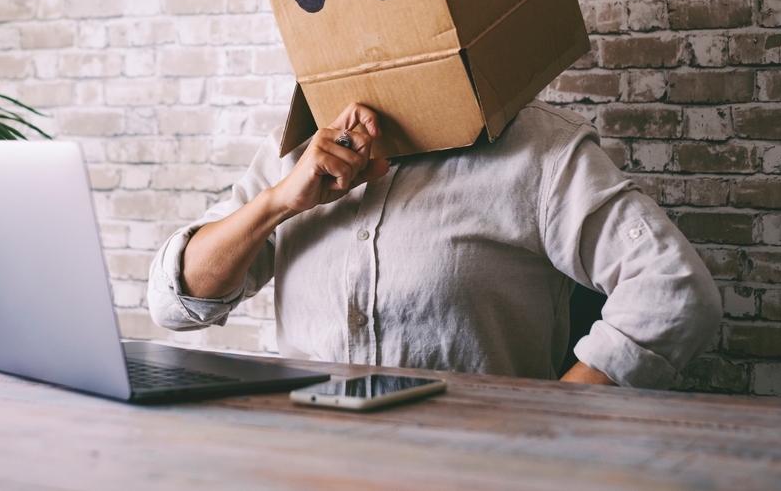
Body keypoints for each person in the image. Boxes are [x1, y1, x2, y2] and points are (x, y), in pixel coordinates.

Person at [148, 101, 722, 388]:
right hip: (307, 467)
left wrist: (553, 430)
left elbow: (673, 293)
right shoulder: (300, 153)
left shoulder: (540, 150)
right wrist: (278, 203)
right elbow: (175, 303)